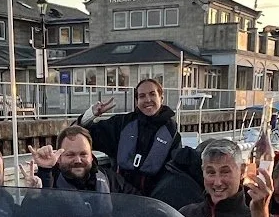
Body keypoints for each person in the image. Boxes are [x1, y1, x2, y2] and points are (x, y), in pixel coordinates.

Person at [79, 77, 204, 208]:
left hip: (152, 201)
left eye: (152, 94)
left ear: (161, 98)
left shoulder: (171, 134)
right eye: (142, 96)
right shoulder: (121, 124)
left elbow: (174, 169)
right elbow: (80, 135)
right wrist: (91, 114)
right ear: (136, 101)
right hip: (119, 196)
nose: (148, 100)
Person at [32, 123, 125, 217]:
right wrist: (44, 170)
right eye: (70, 155)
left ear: (91, 157)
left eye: (83, 154)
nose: (78, 160)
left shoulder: (108, 178)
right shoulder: (48, 180)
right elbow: (35, 215)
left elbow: (137, 201)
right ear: (59, 158)